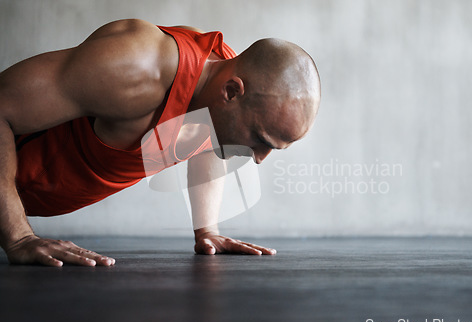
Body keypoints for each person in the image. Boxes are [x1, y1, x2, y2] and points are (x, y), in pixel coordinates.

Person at [0, 19, 321, 267]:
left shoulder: (222, 89)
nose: (259, 159)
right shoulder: (135, 68)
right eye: (260, 139)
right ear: (231, 93)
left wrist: (206, 231)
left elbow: (210, 140)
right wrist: (18, 238)